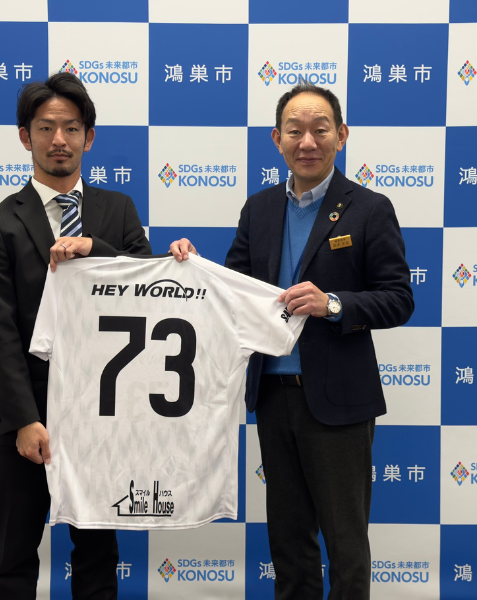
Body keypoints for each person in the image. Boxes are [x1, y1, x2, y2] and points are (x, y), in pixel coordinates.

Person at [171, 81, 414, 599]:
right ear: (276, 139)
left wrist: (333, 304)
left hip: (339, 402)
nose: (307, 142)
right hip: (273, 397)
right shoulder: (258, 208)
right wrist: (191, 268)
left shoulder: (370, 208)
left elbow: (398, 299)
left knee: (346, 545)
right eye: (295, 131)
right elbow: (232, 292)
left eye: (320, 130)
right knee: (288, 542)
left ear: (341, 135)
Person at [0, 72, 150, 600]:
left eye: (71, 128)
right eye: (46, 128)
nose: (59, 140)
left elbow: (146, 286)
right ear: (25, 137)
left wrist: (96, 248)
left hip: (101, 417)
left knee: (98, 558)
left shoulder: (118, 210)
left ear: (89, 137)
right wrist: (25, 419)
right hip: (26, 419)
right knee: (15, 557)